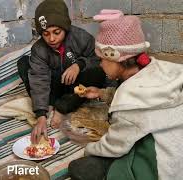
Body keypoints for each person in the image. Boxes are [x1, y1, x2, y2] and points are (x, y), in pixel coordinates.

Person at [68, 9, 183, 180]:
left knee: (81, 168)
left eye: (102, 59)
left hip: (163, 165)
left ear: (115, 57)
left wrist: (88, 149)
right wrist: (102, 93)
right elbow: (144, 105)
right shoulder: (163, 68)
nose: (100, 65)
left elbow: (115, 146)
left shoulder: (128, 99)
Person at [17, 0, 107, 144]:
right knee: (23, 63)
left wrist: (79, 65)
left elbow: (98, 59)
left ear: (65, 27)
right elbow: (39, 80)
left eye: (56, 32)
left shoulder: (81, 37)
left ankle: (61, 108)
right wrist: (41, 115)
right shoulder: (39, 49)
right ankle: (50, 104)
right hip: (54, 86)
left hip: (74, 88)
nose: (51, 39)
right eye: (46, 34)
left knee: (97, 73)